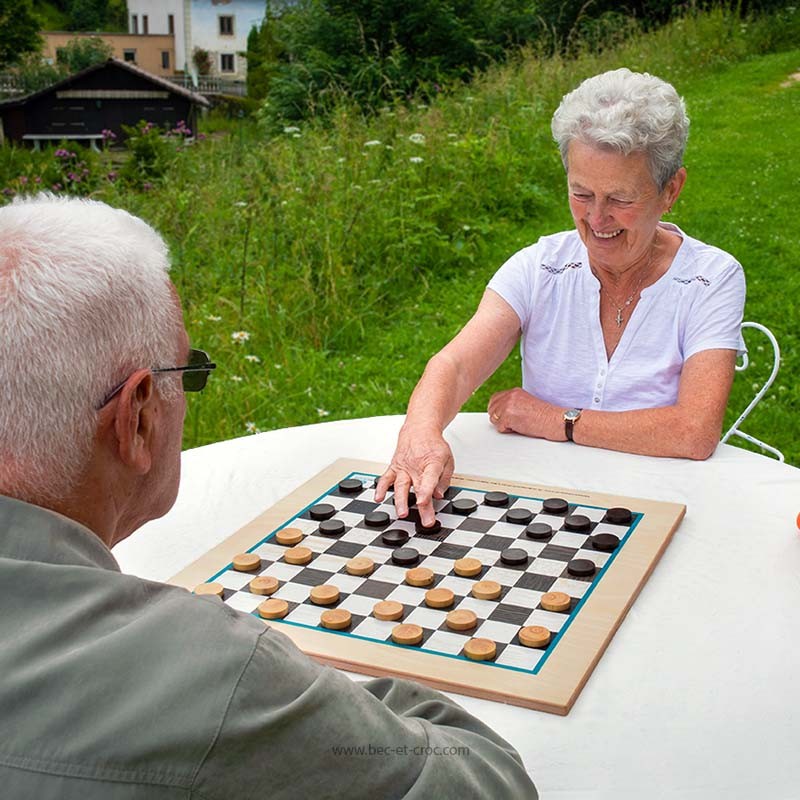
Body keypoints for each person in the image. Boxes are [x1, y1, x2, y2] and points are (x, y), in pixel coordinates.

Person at [0, 195, 537, 799]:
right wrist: (292, 684)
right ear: (139, 418)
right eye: (188, 372)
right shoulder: (209, 677)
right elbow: (485, 782)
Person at [377, 68, 746, 527]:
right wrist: (421, 432)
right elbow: (454, 366)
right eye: (581, 193)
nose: (596, 218)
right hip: (540, 511)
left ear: (671, 190)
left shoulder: (712, 277)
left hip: (665, 506)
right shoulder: (539, 266)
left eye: (620, 198)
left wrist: (556, 420)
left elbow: (693, 431)